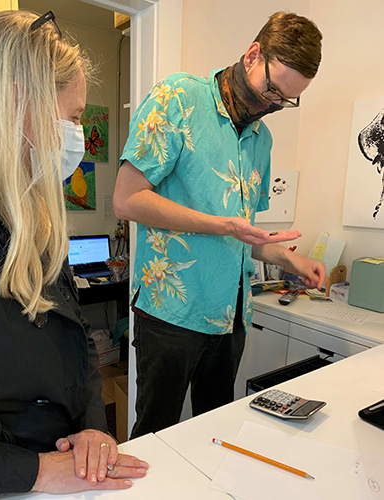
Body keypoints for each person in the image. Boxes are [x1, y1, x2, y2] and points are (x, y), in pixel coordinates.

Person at [113, 11, 326, 439]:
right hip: (171, 313)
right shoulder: (178, 98)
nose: (273, 105)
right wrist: (223, 226)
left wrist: (288, 258)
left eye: (286, 101)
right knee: (156, 435)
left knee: (216, 434)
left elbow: (242, 237)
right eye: (272, 90)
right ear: (253, 55)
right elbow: (126, 199)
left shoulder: (261, 139)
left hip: (231, 318)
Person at [0, 10, 148, 499]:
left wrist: (92, 428)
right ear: (16, 105)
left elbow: (77, 342)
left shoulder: (35, 220)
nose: (77, 135)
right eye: (71, 117)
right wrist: (36, 472)